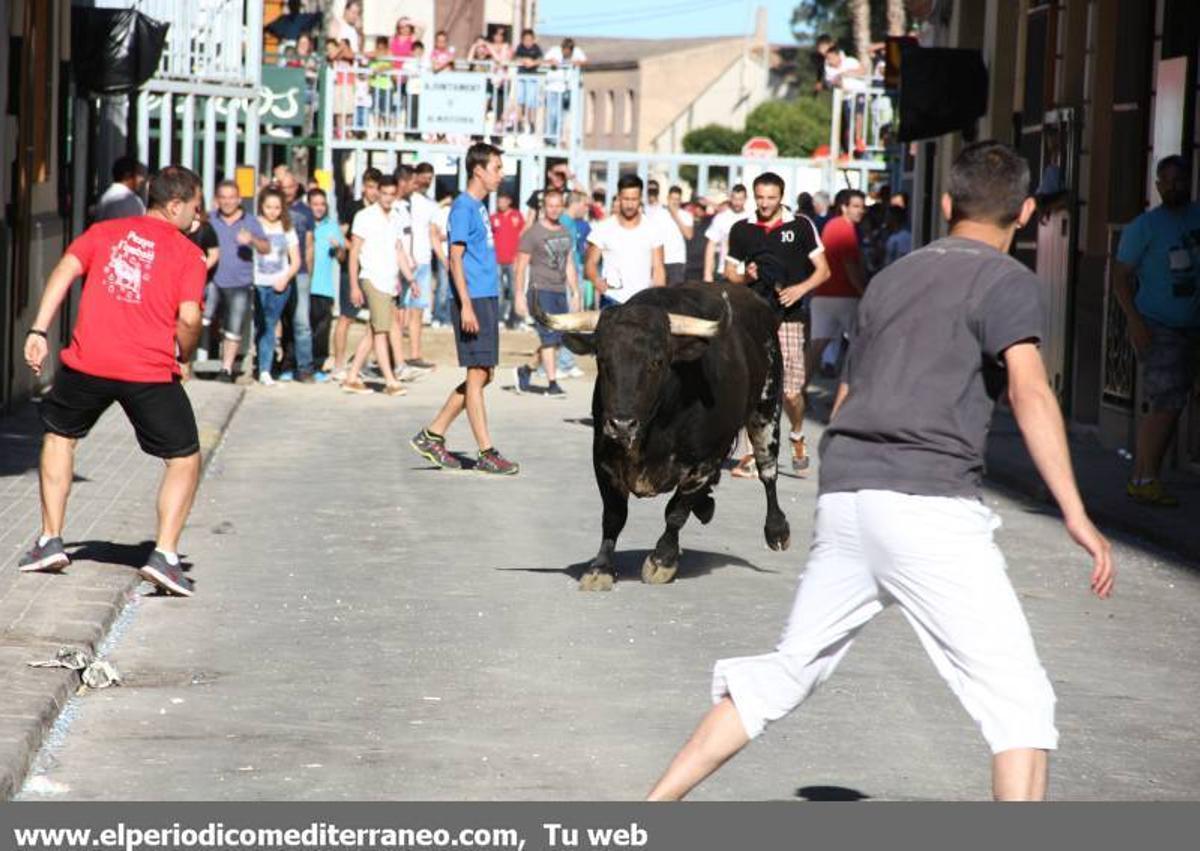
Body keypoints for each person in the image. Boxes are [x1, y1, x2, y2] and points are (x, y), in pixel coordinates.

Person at [647, 140, 1116, 803]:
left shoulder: (894, 276)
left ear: (947, 203)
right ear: (1030, 211)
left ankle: (649, 813)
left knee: (787, 672)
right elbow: (1031, 391)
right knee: (1021, 704)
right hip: (929, 505)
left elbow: (845, 392)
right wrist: (1075, 511)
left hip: (849, 495)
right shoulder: (1008, 280)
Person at [18, 166, 210, 597]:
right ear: (175, 205)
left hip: (89, 362)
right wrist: (187, 350)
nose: (198, 217)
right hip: (149, 370)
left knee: (60, 435)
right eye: (195, 207)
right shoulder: (188, 254)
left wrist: (38, 330)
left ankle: (50, 541)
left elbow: (67, 267)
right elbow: (191, 317)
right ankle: (165, 555)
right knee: (184, 457)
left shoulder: (105, 231)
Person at [410, 142, 519, 475]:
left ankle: (433, 434)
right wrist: (466, 307)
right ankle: (487, 452)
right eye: (497, 168)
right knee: (476, 375)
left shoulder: (479, 206)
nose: (501, 174)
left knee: (485, 374)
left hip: (485, 297)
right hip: (471, 300)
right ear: (479, 170)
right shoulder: (462, 207)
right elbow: (454, 260)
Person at [725, 172, 830, 475]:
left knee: (791, 393)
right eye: (760, 197)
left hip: (789, 318)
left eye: (771, 197)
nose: (765, 203)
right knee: (751, 387)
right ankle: (751, 454)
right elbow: (730, 272)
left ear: (781, 197)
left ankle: (797, 434)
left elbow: (824, 271)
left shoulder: (800, 226)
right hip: (752, 316)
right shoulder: (742, 229)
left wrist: (799, 289)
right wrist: (747, 276)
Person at [1113, 154, 1200, 507]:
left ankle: (1146, 475)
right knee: (1164, 404)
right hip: (1158, 325)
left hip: (1192, 325)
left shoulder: (1196, 217)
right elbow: (1120, 277)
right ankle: (1144, 477)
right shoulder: (1144, 228)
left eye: (1181, 180)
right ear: (1158, 185)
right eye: (1168, 181)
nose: (1175, 186)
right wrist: (1134, 321)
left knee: (1174, 404)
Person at [342, 173, 415, 397]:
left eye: (392, 194)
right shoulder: (364, 216)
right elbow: (354, 252)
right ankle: (391, 381)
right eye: (384, 193)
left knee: (375, 331)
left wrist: (410, 279)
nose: (387, 198)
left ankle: (352, 377)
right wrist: (354, 285)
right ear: (377, 193)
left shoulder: (396, 216)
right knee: (382, 331)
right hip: (372, 279)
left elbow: (399, 250)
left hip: (389, 281)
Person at [513, 187, 580, 398]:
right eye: (550, 206)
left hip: (560, 292)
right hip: (539, 291)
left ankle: (526, 370)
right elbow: (521, 266)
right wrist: (518, 295)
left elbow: (569, 264)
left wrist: (576, 292)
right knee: (549, 338)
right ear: (544, 208)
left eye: (558, 206)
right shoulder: (533, 233)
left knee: (557, 340)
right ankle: (552, 384)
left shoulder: (565, 232)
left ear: (562, 207)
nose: (554, 210)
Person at [209, 180, 271, 382]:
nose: (227, 202)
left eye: (231, 197)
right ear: (217, 200)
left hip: (240, 283)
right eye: (223, 197)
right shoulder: (209, 220)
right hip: (211, 280)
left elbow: (266, 248)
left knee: (234, 327)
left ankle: (226, 369)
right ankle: (187, 362)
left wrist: (252, 239)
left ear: (239, 199)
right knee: (201, 320)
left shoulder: (250, 222)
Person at [585, 174, 666, 306]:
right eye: (626, 199)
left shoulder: (653, 229)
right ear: (619, 198)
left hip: (643, 301)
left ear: (640, 199)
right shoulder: (603, 228)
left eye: (634, 199)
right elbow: (590, 263)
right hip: (611, 300)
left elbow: (658, 268)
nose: (629, 204)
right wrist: (597, 281)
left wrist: (660, 299)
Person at [332, 167, 382, 379]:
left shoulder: (382, 211)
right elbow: (340, 234)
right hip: (351, 271)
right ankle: (339, 365)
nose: (373, 192)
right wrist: (353, 248)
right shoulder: (352, 208)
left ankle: (364, 362)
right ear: (364, 187)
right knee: (346, 317)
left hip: (374, 271)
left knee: (375, 320)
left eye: (376, 188)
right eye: (370, 187)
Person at [812, 188, 866, 378]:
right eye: (856, 206)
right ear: (844, 207)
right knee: (861, 344)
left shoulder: (833, 225)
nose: (861, 211)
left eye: (862, 207)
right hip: (844, 295)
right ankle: (853, 389)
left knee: (818, 345)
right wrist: (863, 292)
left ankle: (796, 390)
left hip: (824, 293)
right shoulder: (845, 228)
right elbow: (850, 265)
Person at [252, 187, 301, 386]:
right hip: (257, 283)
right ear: (261, 206)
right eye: (268, 207)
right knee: (260, 325)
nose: (272, 211)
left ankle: (265, 369)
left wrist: (286, 278)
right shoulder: (254, 225)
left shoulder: (287, 228)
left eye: (277, 207)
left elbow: (295, 260)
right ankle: (260, 362)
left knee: (270, 325)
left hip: (279, 284)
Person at [278, 171, 319, 382]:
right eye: (284, 187)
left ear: (297, 187)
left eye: (291, 187)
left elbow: (310, 245)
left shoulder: (305, 212)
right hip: (274, 273)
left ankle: (305, 368)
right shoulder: (271, 208)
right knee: (275, 321)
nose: (288, 191)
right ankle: (274, 365)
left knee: (302, 322)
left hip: (300, 272)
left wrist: (308, 274)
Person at [402, 163, 439, 368]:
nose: (426, 182)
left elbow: (433, 235)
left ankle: (415, 355)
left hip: (423, 263)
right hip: (404, 262)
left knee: (417, 311)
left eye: (430, 178)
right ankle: (393, 356)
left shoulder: (431, 205)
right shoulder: (403, 202)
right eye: (423, 177)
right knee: (398, 312)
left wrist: (443, 259)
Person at [307, 188, 344, 375]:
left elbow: (342, 258)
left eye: (322, 204)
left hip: (324, 288)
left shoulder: (332, 226)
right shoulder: (304, 224)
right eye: (315, 204)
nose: (319, 208)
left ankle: (318, 365)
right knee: (303, 329)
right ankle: (298, 365)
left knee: (322, 330)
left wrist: (338, 249)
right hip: (305, 286)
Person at [187, 209, 220, 364]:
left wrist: (199, 270)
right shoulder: (178, 228)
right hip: (181, 280)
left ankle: (194, 357)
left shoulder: (205, 230)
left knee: (198, 320)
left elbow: (214, 254)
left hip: (201, 281)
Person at [646, 181, 695, 286]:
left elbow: (689, 235)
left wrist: (675, 216)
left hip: (677, 261)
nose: (674, 202)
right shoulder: (657, 214)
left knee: (675, 294)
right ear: (668, 198)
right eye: (672, 199)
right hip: (660, 260)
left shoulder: (686, 215)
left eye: (677, 199)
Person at [489, 193, 525, 328]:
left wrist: (520, 256)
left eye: (503, 200)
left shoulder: (517, 216)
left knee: (514, 289)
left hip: (513, 259)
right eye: (498, 201)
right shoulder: (493, 218)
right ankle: (499, 318)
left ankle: (515, 318)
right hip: (497, 259)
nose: (500, 203)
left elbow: (523, 235)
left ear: (509, 201)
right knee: (498, 290)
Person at [703, 184, 750, 283]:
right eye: (735, 199)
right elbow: (711, 245)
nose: (737, 202)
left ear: (746, 199)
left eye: (741, 199)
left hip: (746, 274)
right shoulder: (721, 218)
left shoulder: (751, 218)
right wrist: (707, 273)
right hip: (724, 272)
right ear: (730, 198)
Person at [95, 156, 147, 222]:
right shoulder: (130, 200)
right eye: (139, 174)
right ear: (127, 175)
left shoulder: (106, 196)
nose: (142, 179)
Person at [514, 28, 544, 133]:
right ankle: (519, 122)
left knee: (531, 102)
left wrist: (533, 62)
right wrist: (524, 60)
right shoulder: (520, 48)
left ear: (533, 39)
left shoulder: (536, 48)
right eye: (525, 40)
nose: (528, 42)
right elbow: (516, 58)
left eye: (530, 40)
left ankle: (532, 123)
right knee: (520, 100)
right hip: (522, 77)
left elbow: (540, 59)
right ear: (522, 40)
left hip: (532, 78)